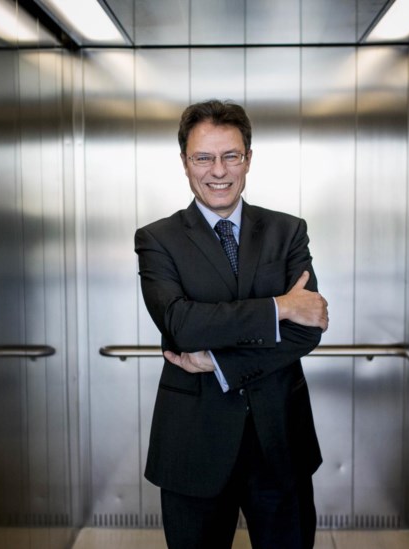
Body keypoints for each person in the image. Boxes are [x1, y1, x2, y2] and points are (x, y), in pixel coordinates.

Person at [134, 99, 329, 549]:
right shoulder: (157, 240)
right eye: (203, 157)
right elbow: (182, 325)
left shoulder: (287, 231)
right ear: (184, 162)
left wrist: (221, 362)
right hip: (194, 442)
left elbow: (308, 326)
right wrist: (278, 307)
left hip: (280, 440)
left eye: (231, 156)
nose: (218, 171)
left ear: (248, 159)